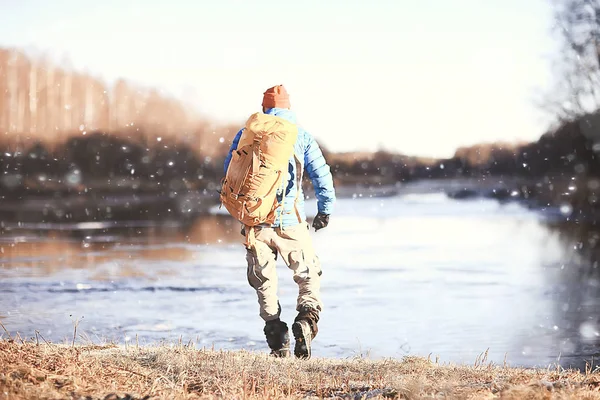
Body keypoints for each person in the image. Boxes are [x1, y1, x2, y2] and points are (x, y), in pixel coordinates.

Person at [223, 85, 336, 359]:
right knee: (308, 275)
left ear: (264, 107)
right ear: (289, 107)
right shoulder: (301, 136)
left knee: (264, 282)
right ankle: (306, 321)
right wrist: (325, 210)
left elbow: (230, 171)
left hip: (256, 222)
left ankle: (277, 336)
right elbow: (322, 176)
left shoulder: (247, 134)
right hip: (290, 222)